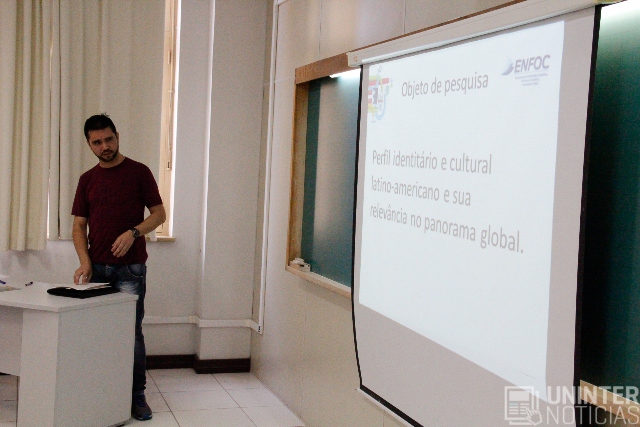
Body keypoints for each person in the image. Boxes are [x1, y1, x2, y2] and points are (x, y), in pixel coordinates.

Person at [71, 114, 166, 421]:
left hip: (130, 269)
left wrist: (133, 232)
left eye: (109, 139)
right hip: (97, 269)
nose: (105, 146)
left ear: (118, 136)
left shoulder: (139, 172)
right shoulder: (87, 179)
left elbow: (159, 214)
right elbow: (79, 226)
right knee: (97, 333)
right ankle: (102, 391)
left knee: (131, 333)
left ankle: (137, 396)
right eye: (97, 142)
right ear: (89, 144)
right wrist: (84, 261)